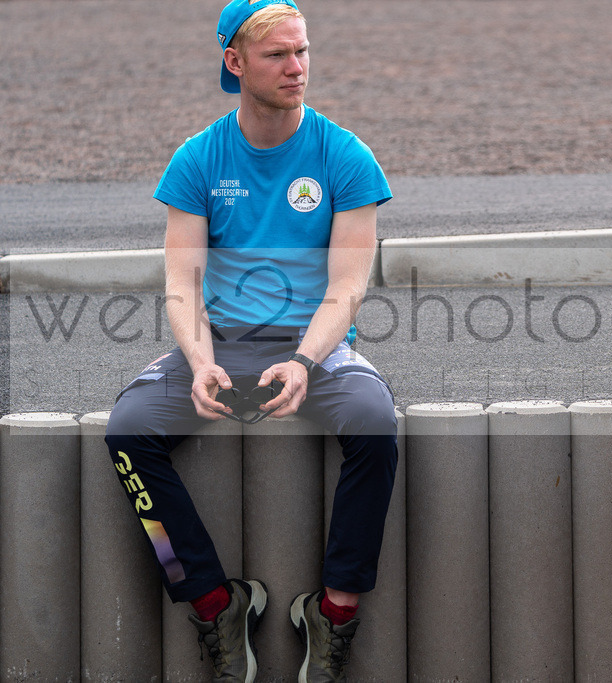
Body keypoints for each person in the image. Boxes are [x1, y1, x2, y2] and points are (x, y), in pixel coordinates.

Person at [104, 1, 397, 680]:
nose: (297, 67)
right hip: (222, 343)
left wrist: (303, 359)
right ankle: (213, 601)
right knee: (127, 434)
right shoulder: (198, 159)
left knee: (375, 422)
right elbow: (182, 284)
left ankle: (335, 610)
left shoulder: (344, 155)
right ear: (234, 64)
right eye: (277, 55)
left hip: (315, 349)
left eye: (302, 51)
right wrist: (201, 361)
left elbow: (348, 287)